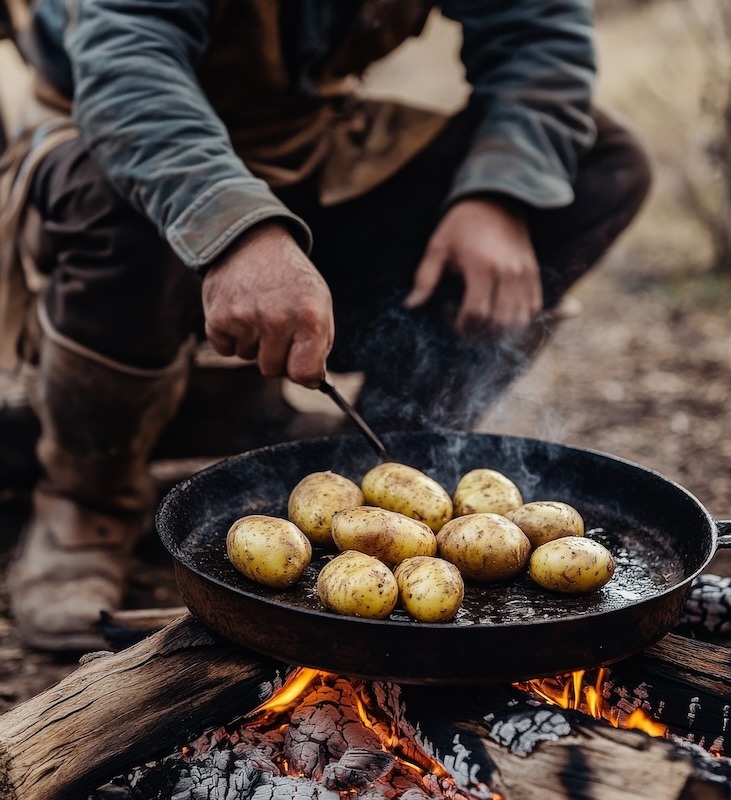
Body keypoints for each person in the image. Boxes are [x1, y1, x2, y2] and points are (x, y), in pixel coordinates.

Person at [0, 0, 651, 651]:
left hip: (308, 143)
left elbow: (536, 25)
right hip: (113, 127)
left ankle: (380, 465)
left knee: (598, 162)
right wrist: (236, 231)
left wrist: (500, 194)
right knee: (120, 201)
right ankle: (87, 506)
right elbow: (127, 61)